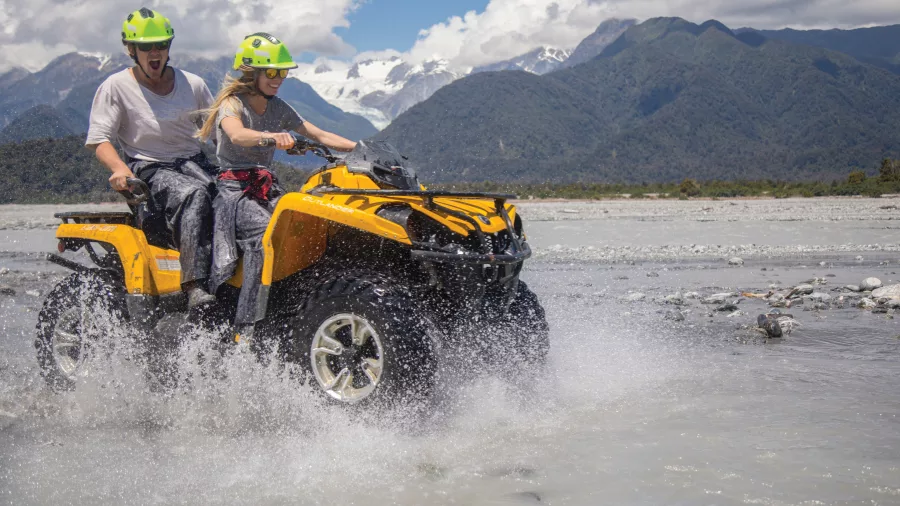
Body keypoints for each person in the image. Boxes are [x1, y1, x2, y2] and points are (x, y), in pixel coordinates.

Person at [197, 32, 357, 341]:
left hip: (266, 187)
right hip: (234, 192)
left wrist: (362, 148)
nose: (279, 78)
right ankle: (246, 328)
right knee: (267, 233)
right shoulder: (232, 105)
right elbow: (237, 135)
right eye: (272, 71)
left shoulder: (279, 107)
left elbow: (320, 134)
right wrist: (271, 137)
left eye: (282, 71)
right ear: (251, 71)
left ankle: (297, 305)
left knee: (308, 225)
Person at [86, 7, 217, 310]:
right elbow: (99, 140)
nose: (155, 52)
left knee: (230, 195)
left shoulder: (193, 84)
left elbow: (218, 132)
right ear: (132, 50)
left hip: (194, 162)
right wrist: (119, 169)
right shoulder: (116, 87)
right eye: (146, 46)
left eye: (161, 45)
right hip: (148, 168)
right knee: (193, 194)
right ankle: (193, 284)